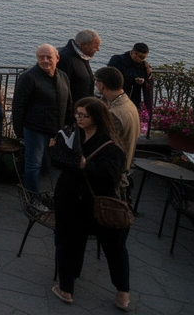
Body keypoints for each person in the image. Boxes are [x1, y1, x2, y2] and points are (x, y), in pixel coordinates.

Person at [49, 97, 131, 310]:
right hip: (71, 200)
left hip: (98, 204)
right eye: (77, 114)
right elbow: (61, 163)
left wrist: (85, 164)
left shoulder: (110, 146)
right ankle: (66, 288)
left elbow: (110, 176)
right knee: (67, 242)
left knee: (113, 248)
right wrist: (56, 150)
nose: (79, 118)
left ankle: (123, 293)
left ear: (97, 117)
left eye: (84, 115)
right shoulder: (73, 135)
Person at [12, 44, 72, 195]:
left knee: (46, 164)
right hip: (34, 129)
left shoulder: (63, 76)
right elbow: (18, 105)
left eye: (49, 57)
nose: (45, 60)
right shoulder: (28, 77)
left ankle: (43, 192)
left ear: (57, 58)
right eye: (41, 57)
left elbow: (68, 101)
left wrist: (68, 125)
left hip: (55, 129)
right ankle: (31, 197)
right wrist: (19, 131)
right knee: (33, 164)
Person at [95, 67, 139, 175]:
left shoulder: (114, 114)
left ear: (101, 85)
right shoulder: (128, 103)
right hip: (125, 163)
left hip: (114, 170)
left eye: (96, 82)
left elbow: (102, 143)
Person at [57, 29, 101, 111]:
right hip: (73, 112)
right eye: (95, 47)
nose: (98, 49)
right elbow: (62, 90)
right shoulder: (66, 59)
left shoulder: (82, 56)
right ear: (84, 46)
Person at [108, 43, 153, 111]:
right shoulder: (117, 60)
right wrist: (133, 80)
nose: (140, 60)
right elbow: (112, 77)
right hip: (117, 96)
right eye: (139, 57)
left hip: (134, 100)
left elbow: (148, 82)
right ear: (132, 52)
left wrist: (143, 81)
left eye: (143, 58)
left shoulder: (144, 66)